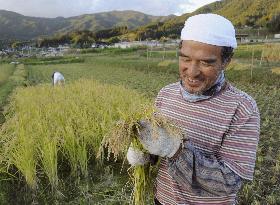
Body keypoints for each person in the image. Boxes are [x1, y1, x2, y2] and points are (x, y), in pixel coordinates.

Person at [127, 13, 260, 205]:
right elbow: (158, 150)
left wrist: (176, 150)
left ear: (226, 61)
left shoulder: (242, 108)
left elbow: (231, 181)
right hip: (162, 200)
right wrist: (145, 152)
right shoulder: (166, 94)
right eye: (185, 59)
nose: (192, 72)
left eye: (206, 62)